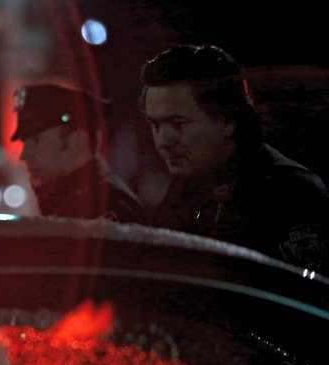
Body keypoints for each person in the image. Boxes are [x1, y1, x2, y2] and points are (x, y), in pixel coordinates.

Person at [140, 44, 329, 272]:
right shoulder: (184, 189)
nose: (164, 140)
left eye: (178, 124)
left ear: (227, 121)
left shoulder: (290, 192)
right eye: (155, 124)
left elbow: (307, 295)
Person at [10, 84, 146, 223]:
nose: (24, 156)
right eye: (24, 143)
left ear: (76, 141)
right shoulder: (76, 203)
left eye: (36, 140)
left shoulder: (105, 206)